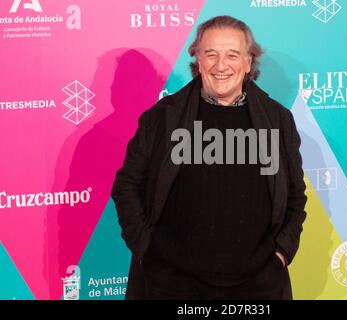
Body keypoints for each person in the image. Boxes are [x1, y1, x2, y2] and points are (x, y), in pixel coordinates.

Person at [111, 15, 307, 300]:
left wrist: (282, 252)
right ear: (197, 60)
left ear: (249, 62)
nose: (221, 65)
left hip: (257, 286)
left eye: (232, 55)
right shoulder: (163, 117)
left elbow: (294, 195)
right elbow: (127, 186)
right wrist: (147, 247)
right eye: (211, 54)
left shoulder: (278, 120)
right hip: (173, 284)